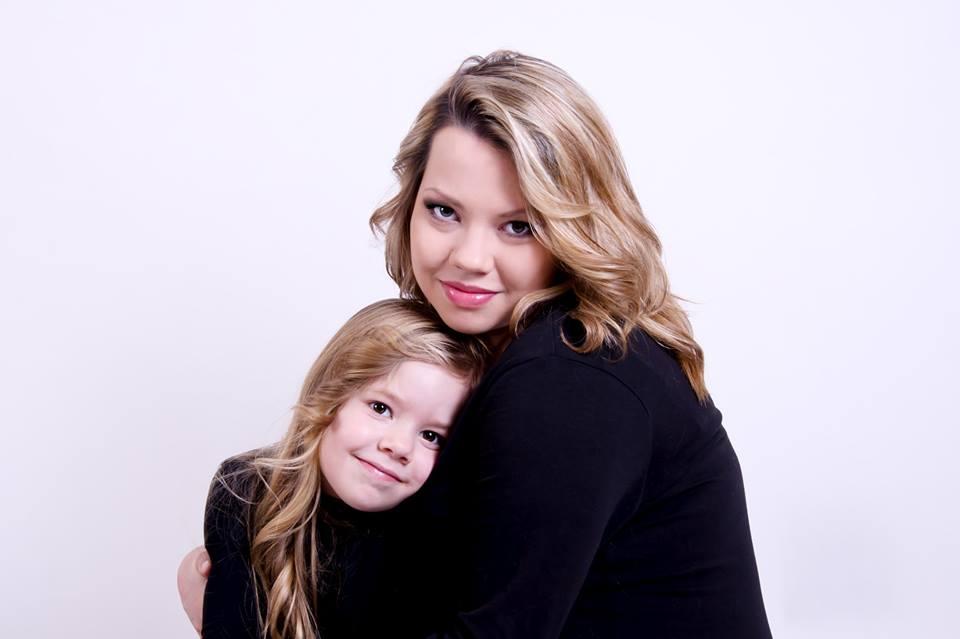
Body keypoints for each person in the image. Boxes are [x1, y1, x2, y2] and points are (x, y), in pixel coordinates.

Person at [181, 50, 772, 638]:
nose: (468, 257)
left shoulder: (571, 376)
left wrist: (221, 610)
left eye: (518, 226)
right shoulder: (515, 352)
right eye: (444, 211)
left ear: (578, 230)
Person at [193, 299, 487, 638]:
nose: (399, 446)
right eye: (381, 408)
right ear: (330, 395)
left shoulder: (432, 538)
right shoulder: (245, 490)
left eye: (432, 436)